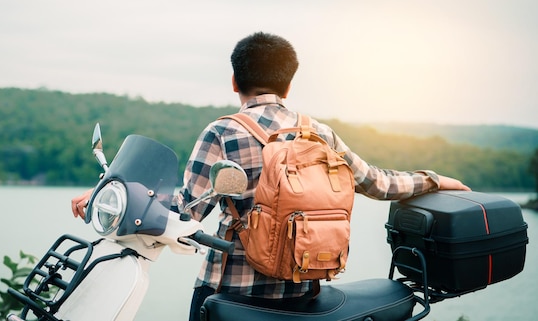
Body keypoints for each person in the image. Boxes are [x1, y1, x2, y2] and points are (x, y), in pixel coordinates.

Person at [71, 32, 470, 321]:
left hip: (230, 295)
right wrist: (434, 179)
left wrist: (110, 196)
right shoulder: (320, 133)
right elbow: (378, 184)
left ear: (234, 81)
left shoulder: (222, 132)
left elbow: (182, 213)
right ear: (288, 83)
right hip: (301, 295)